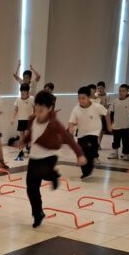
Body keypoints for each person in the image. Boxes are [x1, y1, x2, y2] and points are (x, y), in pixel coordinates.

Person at [20, 91, 86, 228]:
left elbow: (68, 138)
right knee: (31, 188)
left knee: (43, 172)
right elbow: (31, 134)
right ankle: (38, 213)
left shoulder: (54, 123)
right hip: (34, 156)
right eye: (36, 109)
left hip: (50, 155)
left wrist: (79, 154)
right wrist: (22, 142)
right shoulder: (32, 119)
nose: (38, 113)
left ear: (50, 108)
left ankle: (53, 175)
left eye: (41, 111)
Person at [67, 86, 112, 179]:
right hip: (81, 133)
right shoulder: (76, 109)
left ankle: (89, 167)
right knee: (82, 153)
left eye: (83, 98)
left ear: (89, 97)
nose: (81, 100)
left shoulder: (96, 106)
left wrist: (109, 126)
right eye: (79, 98)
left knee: (89, 150)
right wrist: (71, 128)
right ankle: (86, 172)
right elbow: (71, 121)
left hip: (94, 132)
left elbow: (106, 113)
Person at [108, 84, 129, 160]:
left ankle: (125, 154)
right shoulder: (115, 101)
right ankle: (115, 153)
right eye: (120, 91)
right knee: (116, 140)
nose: (121, 92)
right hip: (116, 125)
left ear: (127, 91)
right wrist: (111, 123)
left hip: (127, 126)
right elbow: (112, 113)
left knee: (126, 141)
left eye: (123, 91)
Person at [11, 83, 34, 160]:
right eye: (21, 91)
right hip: (21, 120)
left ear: (27, 91)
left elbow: (35, 108)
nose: (22, 92)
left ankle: (29, 147)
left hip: (29, 120)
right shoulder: (18, 99)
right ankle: (21, 151)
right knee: (21, 136)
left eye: (24, 91)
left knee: (27, 135)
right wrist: (12, 118)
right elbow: (15, 110)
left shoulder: (32, 98)